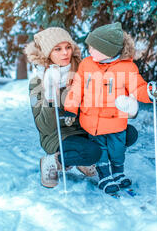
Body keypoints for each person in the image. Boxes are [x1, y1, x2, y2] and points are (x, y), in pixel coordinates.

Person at [24, 27, 140, 189]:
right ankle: (53, 161)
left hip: (87, 127)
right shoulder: (37, 82)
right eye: (58, 49)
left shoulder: (83, 69)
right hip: (59, 134)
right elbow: (44, 127)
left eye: (68, 47)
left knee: (128, 134)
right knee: (92, 152)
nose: (65, 53)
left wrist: (129, 104)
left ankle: (85, 159)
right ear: (46, 53)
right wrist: (51, 95)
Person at [64, 22, 157, 194]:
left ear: (108, 50)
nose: (89, 51)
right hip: (92, 121)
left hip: (116, 121)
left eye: (94, 48)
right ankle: (105, 177)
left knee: (118, 150)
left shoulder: (127, 68)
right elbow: (77, 88)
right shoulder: (87, 64)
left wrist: (149, 93)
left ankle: (118, 173)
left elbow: (137, 87)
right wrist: (71, 108)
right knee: (100, 150)